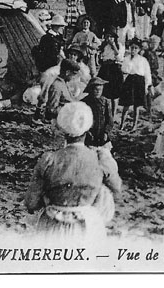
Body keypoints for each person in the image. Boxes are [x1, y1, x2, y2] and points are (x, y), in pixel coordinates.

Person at [24, 101, 122, 238]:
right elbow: (117, 190)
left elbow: (31, 203)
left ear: (63, 131)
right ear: (88, 130)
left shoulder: (49, 160)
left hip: (53, 226)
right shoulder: (100, 159)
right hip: (88, 226)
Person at [119, 38, 153, 131]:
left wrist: (147, 86)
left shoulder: (143, 60)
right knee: (126, 104)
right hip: (130, 80)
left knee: (136, 105)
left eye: (135, 48)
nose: (133, 50)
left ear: (139, 50)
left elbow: (147, 73)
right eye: (132, 48)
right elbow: (124, 70)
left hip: (139, 81)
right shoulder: (126, 58)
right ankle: (122, 123)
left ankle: (134, 125)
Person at [97, 30, 124, 118]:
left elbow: (119, 57)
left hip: (114, 68)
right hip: (105, 68)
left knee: (114, 93)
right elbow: (100, 57)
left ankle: (113, 113)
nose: (109, 39)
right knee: (104, 92)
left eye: (111, 37)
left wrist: (113, 46)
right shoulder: (103, 45)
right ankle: (105, 113)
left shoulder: (119, 45)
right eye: (107, 37)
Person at [83, 77, 114, 148]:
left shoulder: (105, 102)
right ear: (90, 90)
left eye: (100, 90)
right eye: (96, 90)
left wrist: (106, 132)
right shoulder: (85, 102)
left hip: (102, 134)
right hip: (89, 135)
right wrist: (86, 131)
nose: (98, 92)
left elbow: (110, 120)